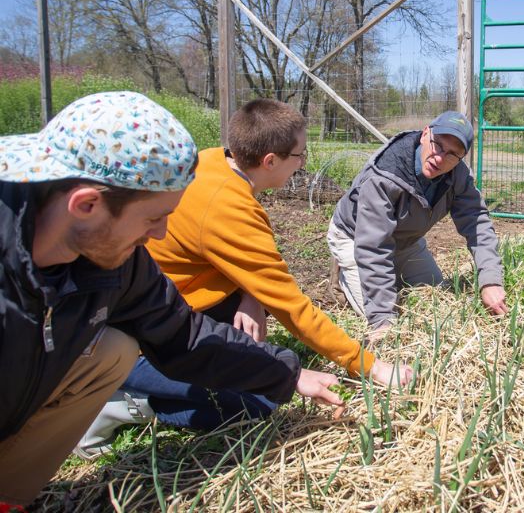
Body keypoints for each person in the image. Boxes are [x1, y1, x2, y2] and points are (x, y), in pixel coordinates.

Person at [0, 92, 344, 506]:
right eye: (152, 218)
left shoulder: (118, 262)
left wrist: (288, 374)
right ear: (87, 204)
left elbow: (184, 335)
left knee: (113, 348)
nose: (161, 234)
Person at [75, 99, 413, 457]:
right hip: (144, 336)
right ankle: (124, 401)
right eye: (299, 156)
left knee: (253, 358)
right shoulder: (229, 209)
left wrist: (251, 296)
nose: (302, 164)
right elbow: (292, 307)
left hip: (174, 304)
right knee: (257, 405)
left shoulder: (212, 161)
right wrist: (369, 365)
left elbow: (224, 253)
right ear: (270, 161)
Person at [328, 111, 507, 340]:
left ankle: (392, 271)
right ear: (425, 134)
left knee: (434, 298)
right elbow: (373, 247)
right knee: (386, 319)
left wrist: (490, 280)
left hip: (406, 239)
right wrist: (383, 317)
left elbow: (477, 222)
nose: (440, 158)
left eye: (453, 154)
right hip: (355, 238)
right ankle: (343, 274)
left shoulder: (458, 175)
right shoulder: (385, 175)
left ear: (461, 158)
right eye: (438, 145)